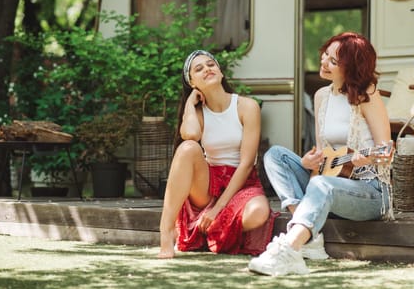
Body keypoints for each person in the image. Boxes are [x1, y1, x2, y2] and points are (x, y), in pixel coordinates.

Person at [248, 32, 394, 276]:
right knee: (275, 156)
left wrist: (365, 159)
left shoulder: (367, 94)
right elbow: (323, 156)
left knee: (322, 185)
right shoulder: (321, 96)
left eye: (334, 62)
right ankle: (310, 239)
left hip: (370, 192)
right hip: (331, 184)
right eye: (325, 55)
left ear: (352, 68)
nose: (324, 63)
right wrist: (309, 162)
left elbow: (387, 151)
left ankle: (290, 250)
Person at [157, 50, 277, 259]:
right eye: (199, 68)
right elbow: (191, 135)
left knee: (258, 212)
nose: (207, 69)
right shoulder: (198, 114)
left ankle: (209, 227)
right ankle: (166, 232)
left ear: (221, 73)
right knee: (188, 149)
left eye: (211, 65)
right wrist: (189, 104)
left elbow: (247, 164)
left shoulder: (247, 107)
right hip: (209, 183)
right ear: (192, 82)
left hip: (242, 184)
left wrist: (217, 209)